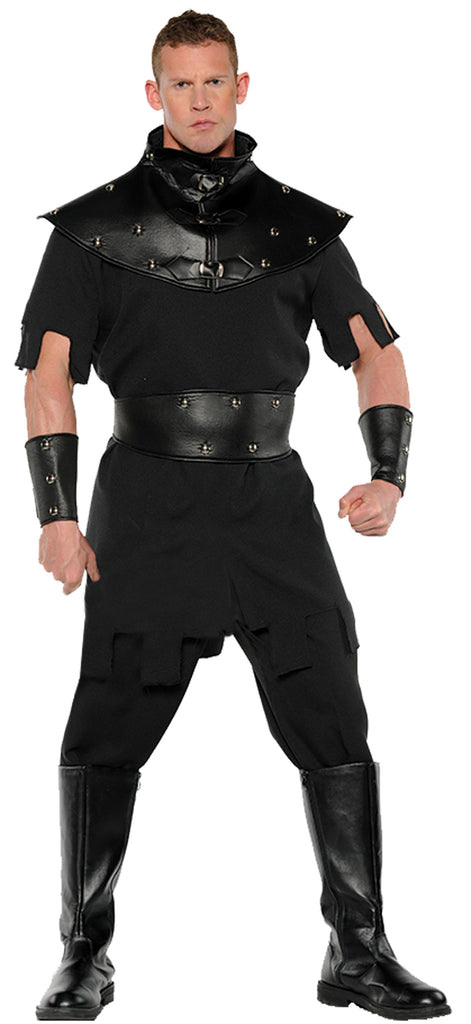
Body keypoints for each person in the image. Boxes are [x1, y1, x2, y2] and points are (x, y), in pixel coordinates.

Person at [17, 9, 451, 1022]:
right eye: (181, 83)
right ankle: (83, 952)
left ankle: (359, 948)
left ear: (241, 86)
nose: (199, 99)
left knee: (331, 709)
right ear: (153, 93)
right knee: (109, 717)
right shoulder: (91, 230)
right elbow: (47, 376)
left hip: (271, 504)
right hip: (144, 503)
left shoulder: (300, 228)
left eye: (215, 81)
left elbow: (376, 352)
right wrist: (56, 515)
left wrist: (388, 475)